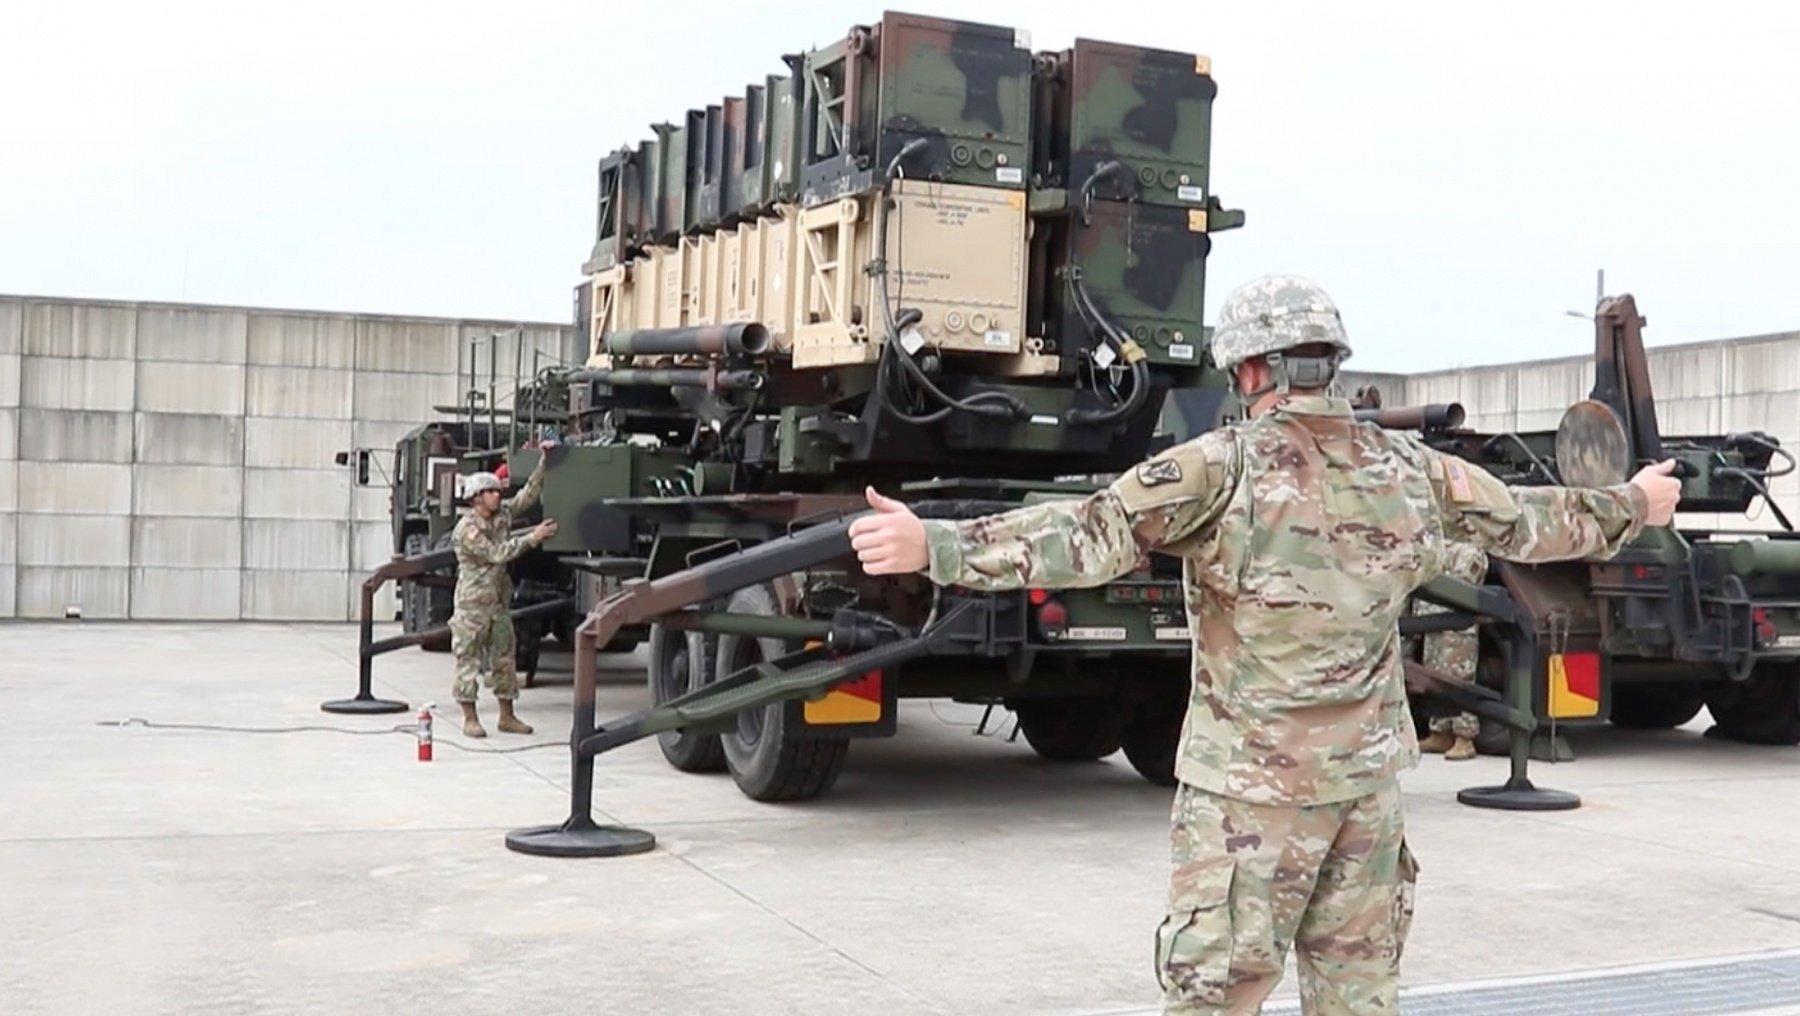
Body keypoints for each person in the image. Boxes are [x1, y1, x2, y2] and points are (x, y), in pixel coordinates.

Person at [846, 275, 1681, 1015]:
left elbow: (1089, 533)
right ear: (1330, 362)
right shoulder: (1413, 469)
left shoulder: (1219, 467)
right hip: (1365, 794)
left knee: (1215, 997)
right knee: (1357, 1000)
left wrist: (936, 546)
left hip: (1248, 801)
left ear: (1250, 371)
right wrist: (1636, 502)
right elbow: (1535, 523)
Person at [450, 447, 559, 738]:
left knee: (504, 661)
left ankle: (507, 717)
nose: (498, 495)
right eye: (491, 492)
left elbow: (528, 495)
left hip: (498, 603)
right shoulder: (467, 530)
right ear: (477, 497)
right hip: (472, 607)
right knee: (468, 662)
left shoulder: (502, 516)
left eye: (498, 491)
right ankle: (470, 718)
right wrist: (533, 537)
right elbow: (498, 553)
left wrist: (544, 462)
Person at [1412, 540, 1487, 761]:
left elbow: (1462, 589)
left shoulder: (1469, 551)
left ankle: (1465, 737)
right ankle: (1440, 732)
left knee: (1459, 674)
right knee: (1434, 672)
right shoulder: (1438, 547)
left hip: (1457, 627)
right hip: (1434, 619)